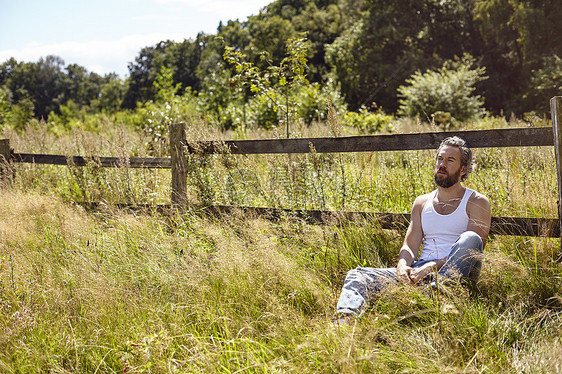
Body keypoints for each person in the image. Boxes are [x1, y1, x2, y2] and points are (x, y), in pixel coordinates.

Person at [336, 136, 491, 319]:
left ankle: (436, 295)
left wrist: (433, 266)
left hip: (455, 273)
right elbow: (410, 246)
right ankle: (344, 322)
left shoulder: (476, 201)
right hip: (419, 271)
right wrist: (402, 267)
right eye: (440, 158)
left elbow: (474, 250)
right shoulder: (422, 202)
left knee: (470, 238)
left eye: (450, 160)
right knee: (358, 275)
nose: (442, 164)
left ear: (463, 169)